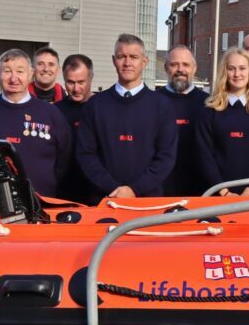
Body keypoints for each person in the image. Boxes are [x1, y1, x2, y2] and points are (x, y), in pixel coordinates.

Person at [76, 34, 177, 202]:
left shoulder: (162, 106)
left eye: (134, 57)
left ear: (144, 61)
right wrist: (112, 188)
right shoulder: (95, 105)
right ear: (114, 60)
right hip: (103, 199)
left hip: (147, 201)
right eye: (122, 56)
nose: (127, 62)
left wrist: (134, 189)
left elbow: (166, 157)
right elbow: (86, 154)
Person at [0, 49, 72, 198]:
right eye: (7, 71)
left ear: (30, 74)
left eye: (20, 71)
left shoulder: (51, 114)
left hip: (43, 204)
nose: (14, 78)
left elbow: (64, 161)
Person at [196, 49, 249, 197]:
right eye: (231, 69)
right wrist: (224, 192)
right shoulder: (209, 112)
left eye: (242, 68)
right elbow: (204, 155)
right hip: (217, 195)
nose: (237, 74)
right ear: (224, 72)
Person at [158, 45, 209, 196]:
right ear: (166, 68)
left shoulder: (208, 103)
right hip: (161, 187)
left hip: (200, 187)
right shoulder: (153, 101)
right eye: (174, 64)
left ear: (194, 68)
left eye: (186, 65)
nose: (180, 69)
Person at [55, 54, 95, 203]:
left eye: (81, 82)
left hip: (96, 188)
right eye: (70, 82)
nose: (76, 88)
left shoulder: (103, 107)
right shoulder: (55, 111)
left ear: (91, 78)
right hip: (64, 189)